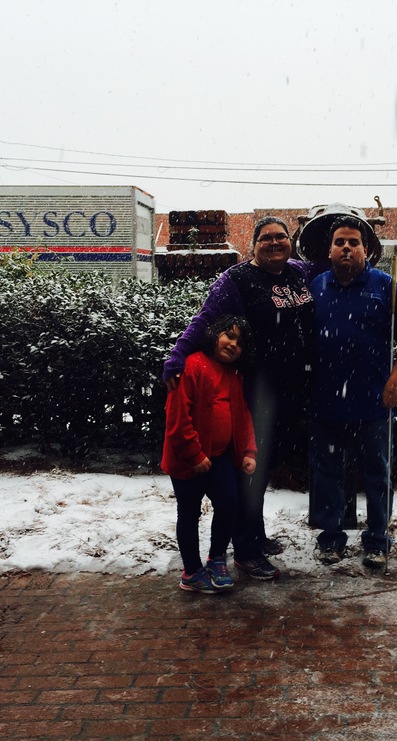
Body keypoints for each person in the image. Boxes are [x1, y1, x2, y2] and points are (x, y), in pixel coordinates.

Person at [162, 216, 316, 580]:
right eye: (266, 238)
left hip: (290, 386)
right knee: (251, 469)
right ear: (253, 245)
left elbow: (330, 262)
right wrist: (178, 354)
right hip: (256, 388)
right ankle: (245, 550)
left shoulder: (298, 272)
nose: (275, 243)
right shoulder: (235, 280)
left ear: (290, 241)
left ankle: (256, 534)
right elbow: (205, 320)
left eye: (281, 237)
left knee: (262, 469)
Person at [308, 214, 397, 570]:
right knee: (328, 473)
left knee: (377, 474)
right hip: (325, 401)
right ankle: (331, 539)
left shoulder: (386, 286)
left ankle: (376, 540)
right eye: (340, 242)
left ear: (366, 250)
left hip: (373, 401)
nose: (346, 248)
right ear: (329, 250)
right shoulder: (315, 288)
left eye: (353, 243)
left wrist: (394, 382)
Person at [161, 314, 257, 594]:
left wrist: (249, 450)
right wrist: (194, 454)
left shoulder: (234, 375)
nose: (233, 344)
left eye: (239, 342)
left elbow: (242, 416)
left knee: (229, 504)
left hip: (221, 458)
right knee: (189, 513)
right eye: (229, 335)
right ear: (214, 335)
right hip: (187, 460)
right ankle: (191, 571)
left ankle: (217, 559)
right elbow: (178, 418)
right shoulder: (192, 366)